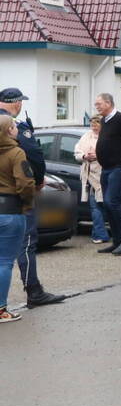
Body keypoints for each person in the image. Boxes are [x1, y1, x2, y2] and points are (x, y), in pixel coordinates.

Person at [0, 88, 66, 307]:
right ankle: (34, 291)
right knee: (25, 245)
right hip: (13, 201)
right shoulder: (13, 127)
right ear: (17, 103)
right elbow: (34, 156)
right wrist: (36, 184)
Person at [0, 115, 34, 323]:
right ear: (8, 131)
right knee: (4, 262)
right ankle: (1, 309)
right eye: (13, 126)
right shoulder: (16, 152)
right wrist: (28, 203)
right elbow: (25, 183)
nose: (16, 129)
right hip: (11, 210)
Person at [94, 93, 121, 256]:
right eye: (96, 104)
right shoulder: (104, 121)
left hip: (119, 166)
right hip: (105, 168)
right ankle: (117, 240)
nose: (96, 107)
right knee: (106, 203)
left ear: (108, 103)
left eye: (99, 104)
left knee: (113, 202)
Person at [74, 116, 110, 244]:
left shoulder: (107, 136)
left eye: (96, 125)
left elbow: (113, 154)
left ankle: (99, 234)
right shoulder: (86, 137)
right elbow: (77, 153)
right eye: (92, 125)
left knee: (104, 206)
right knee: (95, 206)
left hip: (104, 175)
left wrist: (98, 156)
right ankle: (100, 234)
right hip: (89, 177)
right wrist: (84, 156)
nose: (94, 127)